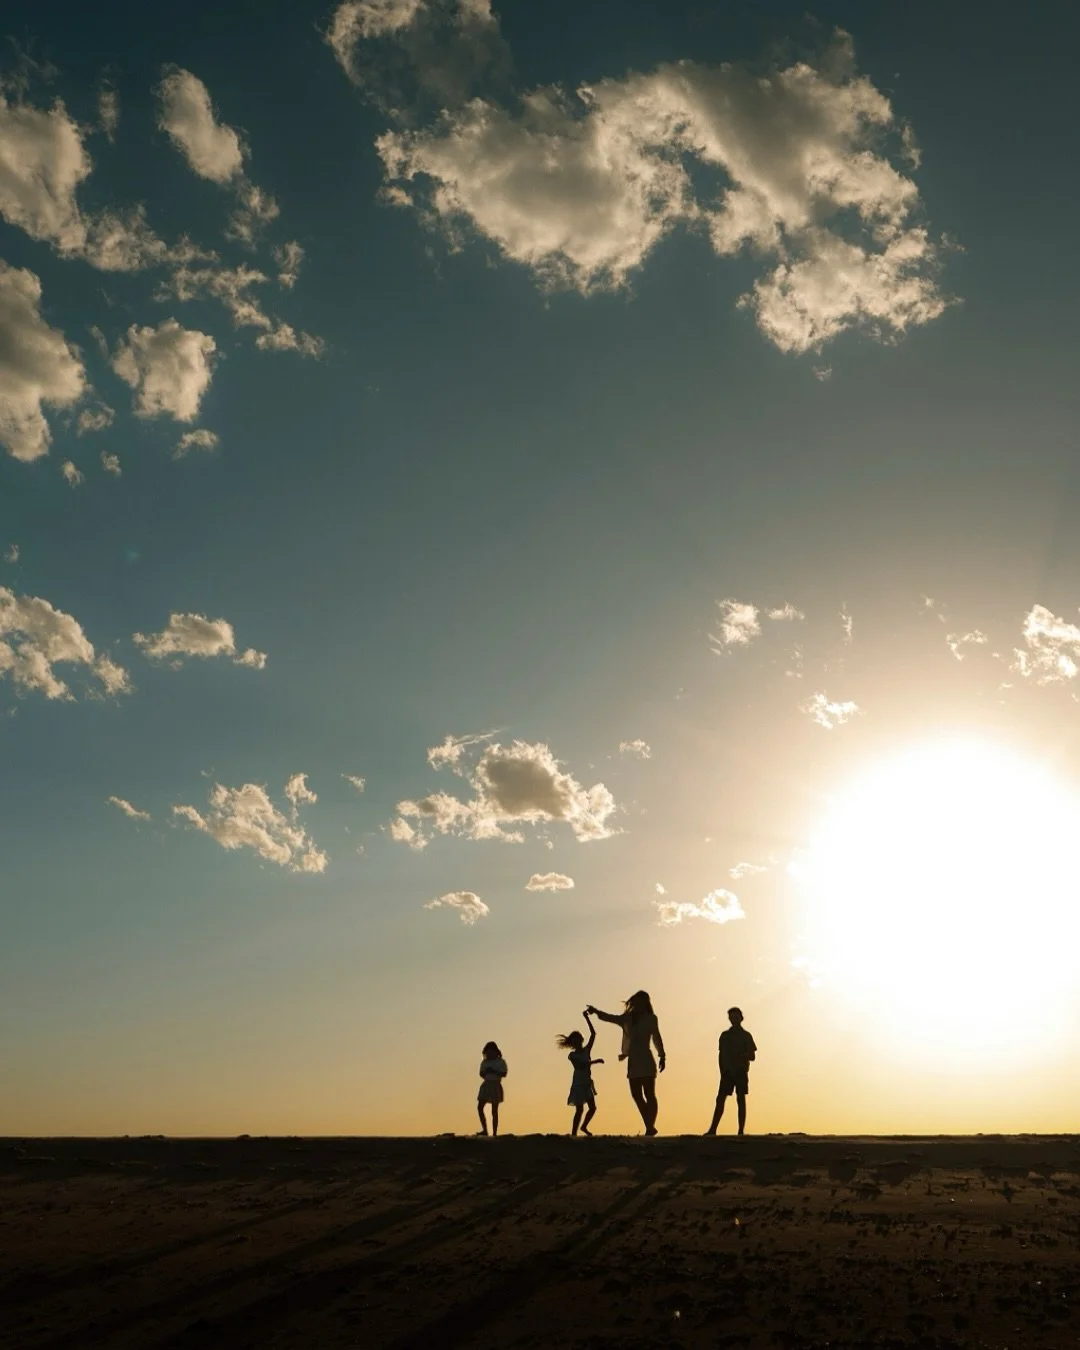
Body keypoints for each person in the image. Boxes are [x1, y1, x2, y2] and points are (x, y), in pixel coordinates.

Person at [585, 991, 665, 1136]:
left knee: (649, 1094)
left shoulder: (651, 1018)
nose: (639, 1004)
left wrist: (662, 1055)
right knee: (636, 1095)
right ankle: (649, 1125)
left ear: (645, 1003)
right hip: (633, 1060)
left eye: (642, 1001)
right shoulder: (627, 1018)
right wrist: (596, 1011)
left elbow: (656, 1037)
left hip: (646, 1059)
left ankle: (649, 1127)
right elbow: (610, 1018)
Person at [705, 1007, 757, 1137]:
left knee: (741, 1099)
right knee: (720, 1099)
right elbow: (721, 1055)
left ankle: (741, 1130)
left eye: (735, 1017)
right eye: (731, 1017)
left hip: (740, 1071)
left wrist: (741, 1057)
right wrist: (723, 1070)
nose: (733, 1019)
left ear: (741, 1018)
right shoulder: (725, 1036)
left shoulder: (746, 1036)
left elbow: (752, 1056)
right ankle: (713, 1129)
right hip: (727, 1072)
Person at [556, 1010, 605, 1136]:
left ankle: (583, 1126)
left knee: (592, 1108)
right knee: (579, 1109)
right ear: (572, 1043)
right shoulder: (572, 1055)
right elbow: (580, 1066)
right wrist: (595, 1061)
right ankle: (574, 1134)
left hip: (587, 1083)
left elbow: (593, 1034)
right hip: (578, 1084)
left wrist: (586, 1018)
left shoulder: (587, 1050)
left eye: (578, 1040)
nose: (577, 1042)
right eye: (575, 1041)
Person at [477, 1041, 507, 1137]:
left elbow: (504, 1073)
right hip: (486, 1084)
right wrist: (486, 1072)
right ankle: (485, 1129)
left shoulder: (500, 1062)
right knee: (480, 1107)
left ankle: (494, 1133)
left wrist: (494, 1071)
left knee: (494, 1110)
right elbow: (481, 1073)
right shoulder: (484, 1062)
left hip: (495, 1085)